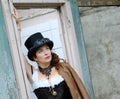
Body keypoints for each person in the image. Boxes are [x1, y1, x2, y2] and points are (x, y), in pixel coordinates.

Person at [12, 8, 90, 99]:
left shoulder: (63, 68)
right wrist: (18, 28)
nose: (46, 53)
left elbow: (79, 91)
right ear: (35, 57)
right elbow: (16, 50)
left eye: (47, 48)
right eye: (40, 51)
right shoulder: (33, 75)